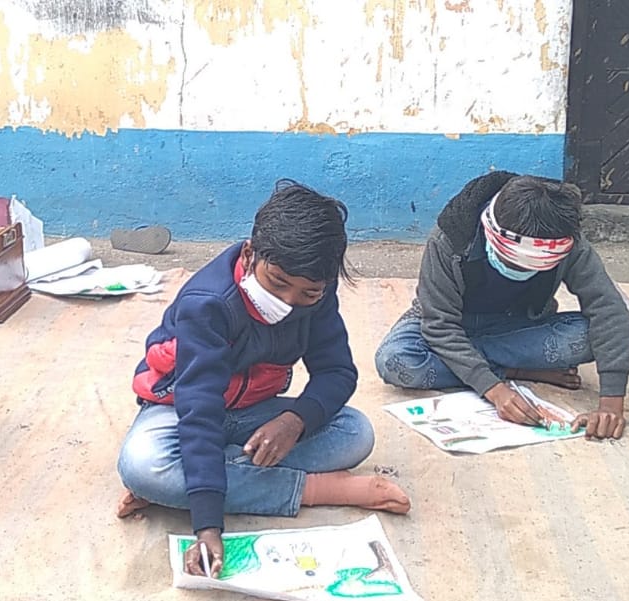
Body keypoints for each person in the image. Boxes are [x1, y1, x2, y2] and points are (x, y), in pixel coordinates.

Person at [116, 180, 411, 578]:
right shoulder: (208, 305)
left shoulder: (318, 294)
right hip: (179, 409)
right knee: (143, 465)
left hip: (253, 411)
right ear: (250, 253)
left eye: (307, 293)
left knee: (355, 432)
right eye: (277, 283)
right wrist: (207, 526)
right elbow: (199, 410)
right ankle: (317, 488)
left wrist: (294, 421)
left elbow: (337, 372)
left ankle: (186, 485)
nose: (288, 302)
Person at [374, 172, 629, 439]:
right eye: (513, 262)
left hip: (517, 327)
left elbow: (608, 309)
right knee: (397, 362)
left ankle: (473, 362)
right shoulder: (450, 237)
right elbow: (439, 326)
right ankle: (515, 369)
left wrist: (611, 406)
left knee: (588, 337)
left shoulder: (567, 240)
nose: (521, 271)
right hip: (447, 325)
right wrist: (495, 389)